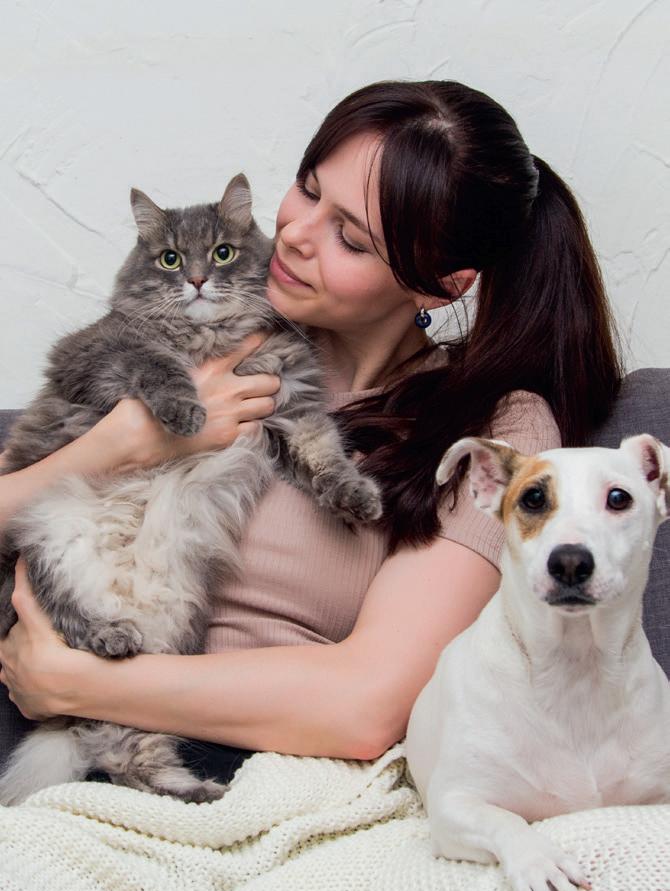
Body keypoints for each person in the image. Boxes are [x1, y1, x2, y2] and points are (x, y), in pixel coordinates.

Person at [0, 80, 621, 785]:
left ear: (441, 283)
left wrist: (76, 682)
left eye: (349, 237)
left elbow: (366, 707)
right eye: (307, 188)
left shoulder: (495, 425)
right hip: (101, 735)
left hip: (267, 768)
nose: (294, 234)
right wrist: (122, 443)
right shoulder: (199, 335)